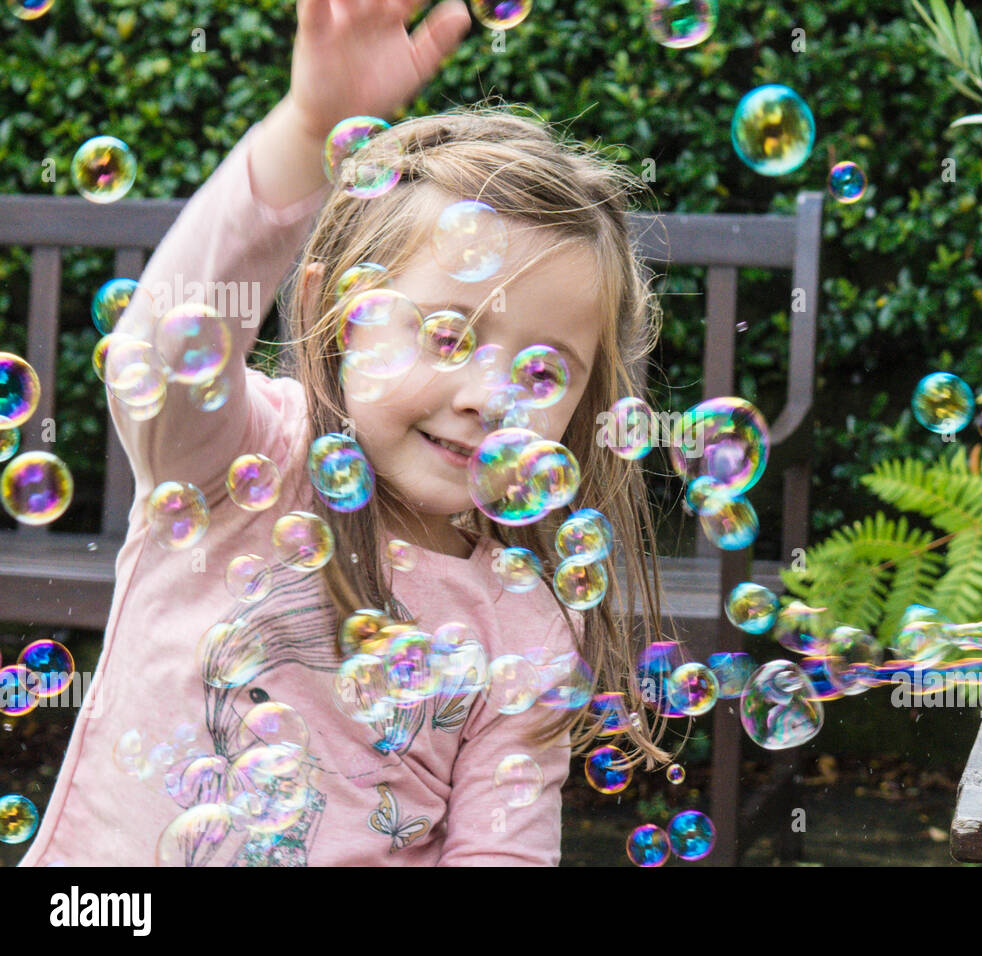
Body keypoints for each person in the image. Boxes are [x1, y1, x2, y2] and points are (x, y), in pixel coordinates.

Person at [21, 0, 673, 867]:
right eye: (450, 335)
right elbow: (166, 350)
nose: (489, 398)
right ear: (339, 314)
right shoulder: (243, 461)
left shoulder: (526, 628)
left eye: (543, 371)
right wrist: (304, 132)